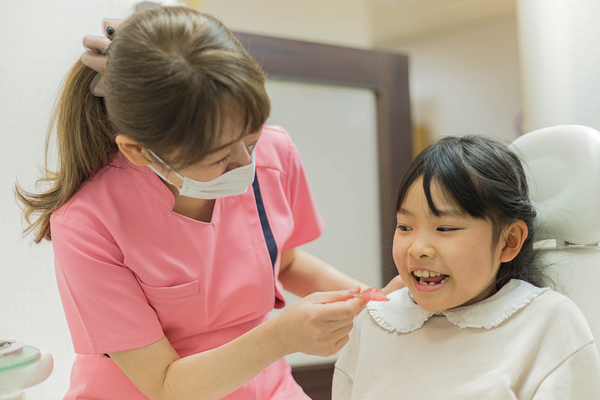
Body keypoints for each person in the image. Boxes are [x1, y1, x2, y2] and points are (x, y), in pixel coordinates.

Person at [16, 6, 403, 400]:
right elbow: (165, 385)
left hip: (267, 386)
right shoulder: (87, 222)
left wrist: (380, 304)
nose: (247, 164)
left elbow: (286, 262)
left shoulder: (275, 151)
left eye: (251, 139)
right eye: (218, 158)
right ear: (138, 151)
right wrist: (282, 336)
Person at [332, 135, 600, 399]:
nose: (417, 249)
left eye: (445, 228)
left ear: (509, 241)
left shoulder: (549, 324)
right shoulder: (374, 322)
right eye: (405, 227)